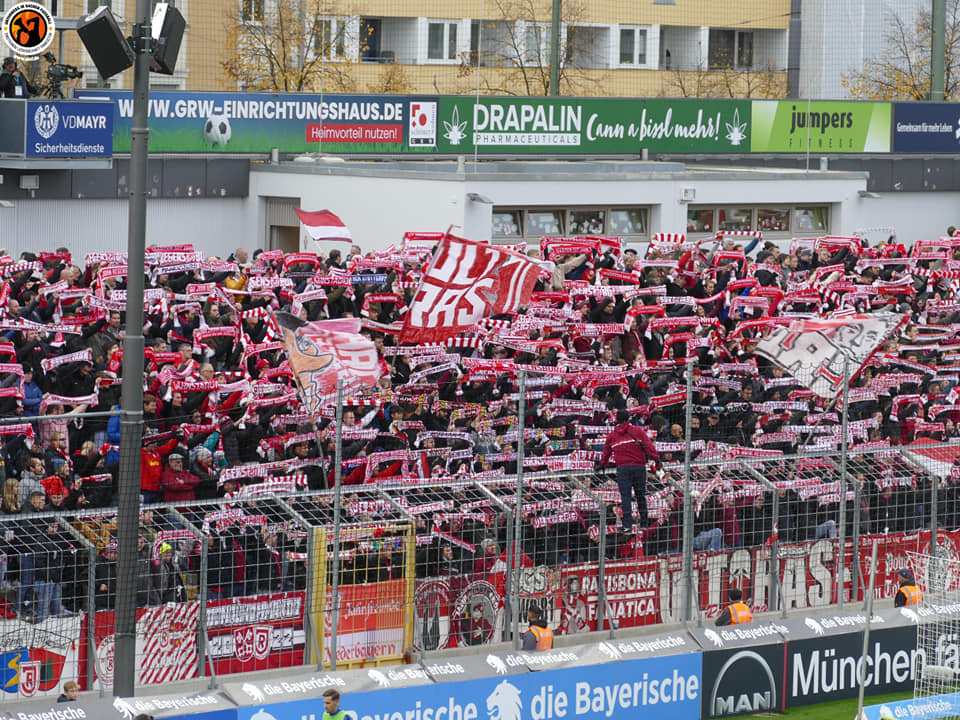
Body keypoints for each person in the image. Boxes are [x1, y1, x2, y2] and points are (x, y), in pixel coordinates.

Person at [599, 409, 661, 535]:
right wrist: (657, 459)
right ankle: (644, 523)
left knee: (626, 498)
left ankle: (627, 525)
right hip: (639, 467)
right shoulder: (638, 431)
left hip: (623, 469)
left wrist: (601, 465)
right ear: (629, 419)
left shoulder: (612, 436)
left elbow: (606, 453)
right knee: (640, 496)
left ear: (616, 421)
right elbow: (649, 446)